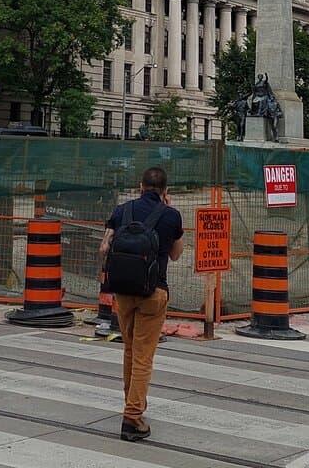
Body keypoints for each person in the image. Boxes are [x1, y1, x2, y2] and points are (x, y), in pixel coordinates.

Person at [99, 166, 184, 443]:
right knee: (143, 355)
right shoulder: (171, 216)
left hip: (123, 291)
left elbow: (104, 248)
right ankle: (133, 417)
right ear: (165, 191)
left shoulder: (122, 210)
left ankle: (131, 404)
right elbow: (176, 255)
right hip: (154, 292)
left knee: (129, 348)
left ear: (140, 186)